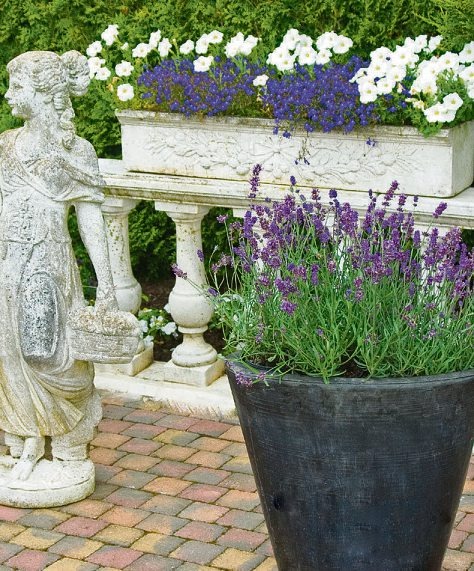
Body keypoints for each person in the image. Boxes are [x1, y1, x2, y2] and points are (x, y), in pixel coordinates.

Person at [0, 50, 116, 482]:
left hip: (49, 262)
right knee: (9, 350)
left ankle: (68, 439)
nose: (10, 94)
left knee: (51, 352)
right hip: (7, 263)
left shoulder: (77, 151)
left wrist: (106, 281)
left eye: (18, 86)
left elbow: (90, 217)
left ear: (46, 94)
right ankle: (24, 438)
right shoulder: (7, 145)